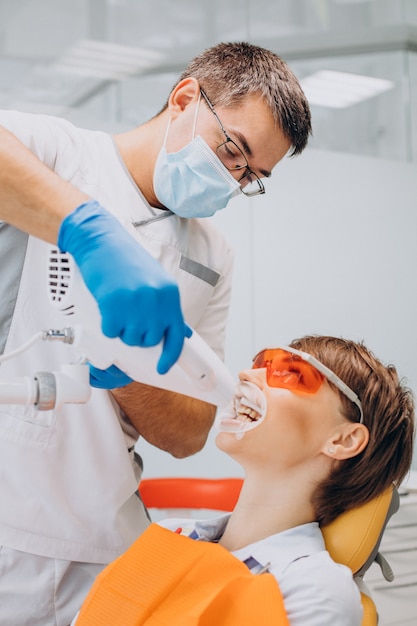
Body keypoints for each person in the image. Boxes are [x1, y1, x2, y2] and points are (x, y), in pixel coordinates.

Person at [0, 42, 312, 625]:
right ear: (186, 97)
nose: (232, 179)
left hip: (106, 545)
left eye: (251, 175)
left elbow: (190, 432)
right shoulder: (61, 153)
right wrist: (84, 229)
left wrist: (123, 372)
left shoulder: (213, 254)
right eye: (231, 151)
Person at [72, 335, 415, 626]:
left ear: (343, 440)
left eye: (289, 373)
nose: (247, 375)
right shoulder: (168, 537)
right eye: (260, 364)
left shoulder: (313, 587)